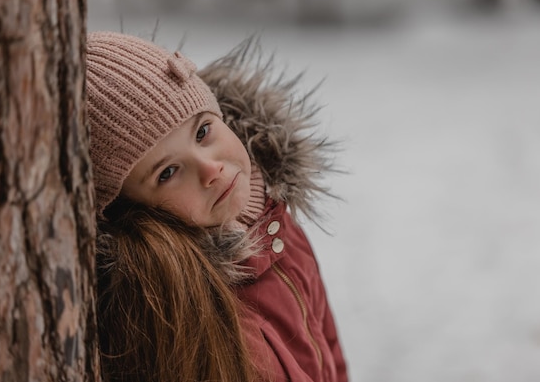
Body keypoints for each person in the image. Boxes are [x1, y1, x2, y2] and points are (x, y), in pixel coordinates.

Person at [87, 31, 348, 382]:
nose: (211, 170)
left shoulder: (276, 222)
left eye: (202, 132)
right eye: (168, 172)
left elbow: (327, 344)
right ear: (130, 210)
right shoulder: (167, 307)